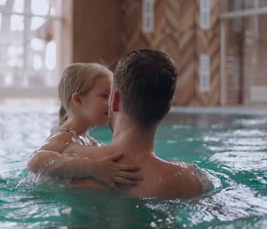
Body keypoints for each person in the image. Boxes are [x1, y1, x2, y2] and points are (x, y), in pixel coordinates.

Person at [31, 49, 213, 199]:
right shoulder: (191, 180)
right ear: (168, 105)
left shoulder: (72, 159)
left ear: (115, 99)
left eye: (108, 95)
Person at [28, 63, 142, 189]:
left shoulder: (87, 140)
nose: (111, 102)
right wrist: (93, 168)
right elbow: (36, 160)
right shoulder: (63, 137)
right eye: (105, 95)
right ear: (78, 100)